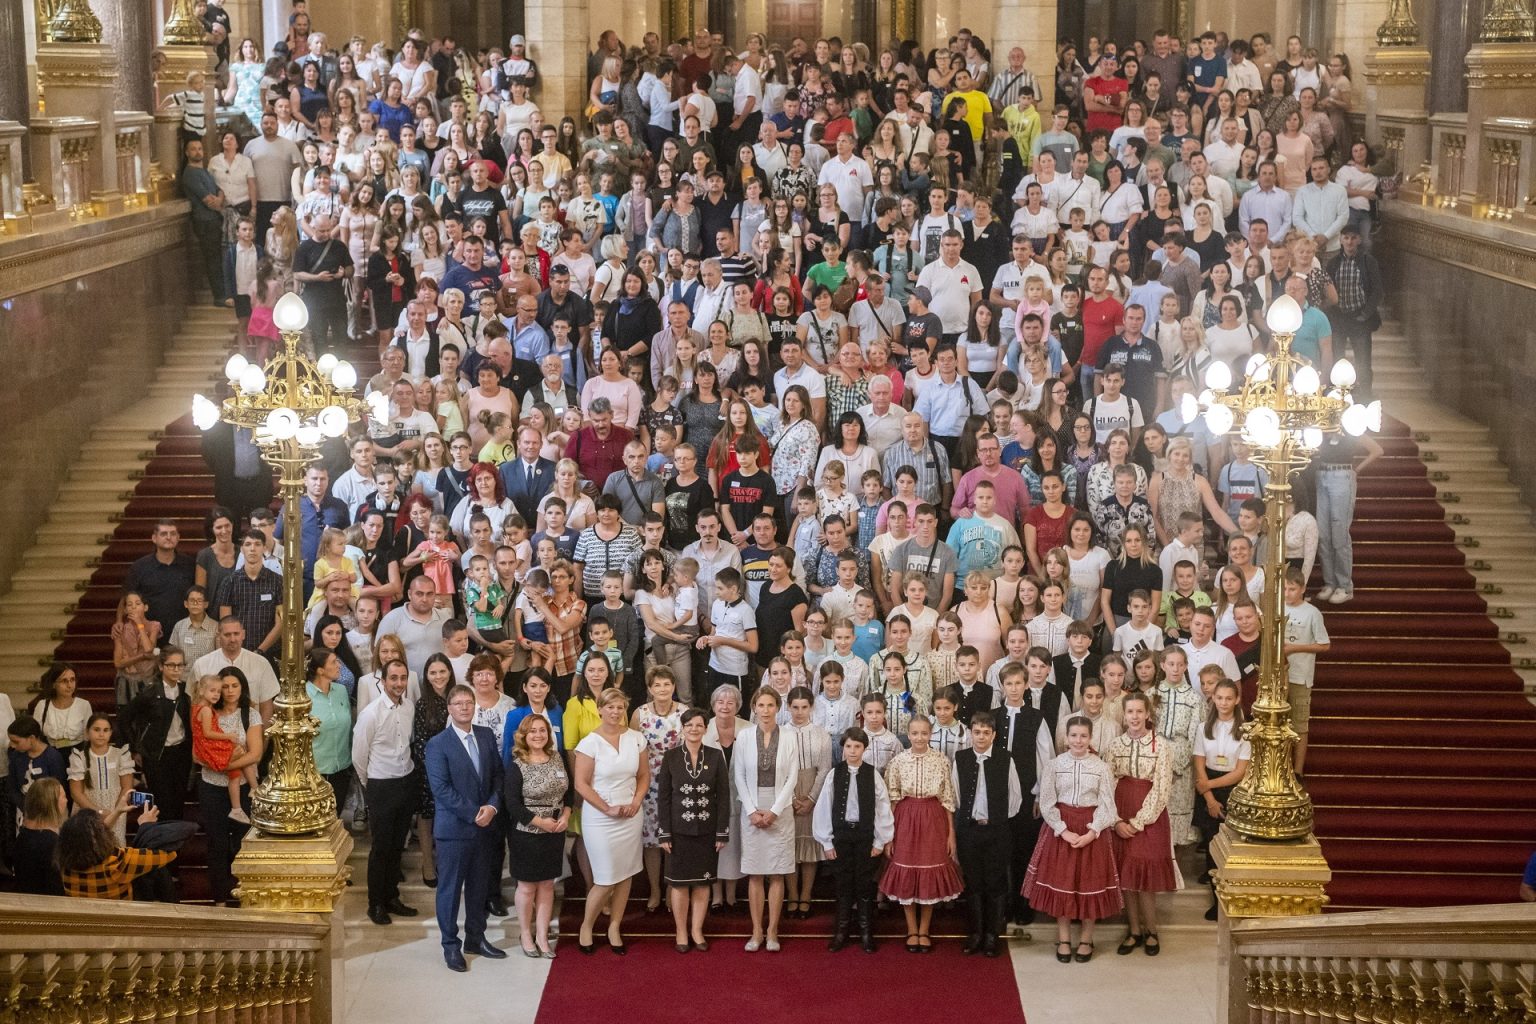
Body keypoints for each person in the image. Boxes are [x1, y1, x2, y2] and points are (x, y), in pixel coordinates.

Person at [1024, 716, 1122, 962]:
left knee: (1090, 884)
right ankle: (1064, 938)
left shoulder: (1101, 767)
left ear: (1090, 738)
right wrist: (1063, 830)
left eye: (1083, 736)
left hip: (1091, 830)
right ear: (1066, 738)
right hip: (1062, 829)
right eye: (1074, 736)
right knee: (1063, 883)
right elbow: (1047, 802)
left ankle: (1087, 938)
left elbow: (1108, 806)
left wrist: (1092, 832)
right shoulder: (1054, 765)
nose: (1078, 740)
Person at [426, 683, 506, 971]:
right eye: (458, 703)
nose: (464, 707)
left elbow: (498, 776)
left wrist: (493, 807)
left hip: (485, 828)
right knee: (449, 891)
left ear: (475, 707)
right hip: (454, 831)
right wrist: (475, 813)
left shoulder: (485, 735)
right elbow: (441, 789)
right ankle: (450, 945)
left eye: (468, 703)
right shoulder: (438, 744)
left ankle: (475, 938)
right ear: (449, 708)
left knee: (479, 887)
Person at [572, 687, 648, 954]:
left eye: (620, 707)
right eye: (610, 707)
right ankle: (586, 926)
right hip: (600, 817)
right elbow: (581, 784)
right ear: (600, 710)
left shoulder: (636, 738)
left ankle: (614, 926)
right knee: (605, 878)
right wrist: (607, 808)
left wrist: (636, 802)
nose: (616, 712)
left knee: (625, 875)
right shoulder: (589, 743)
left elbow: (644, 775)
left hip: (631, 814)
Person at [881, 715, 964, 951]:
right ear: (908, 734)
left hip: (934, 819)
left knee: (930, 869)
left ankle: (925, 929)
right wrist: (888, 836)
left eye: (924, 733)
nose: (919, 738)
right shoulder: (898, 761)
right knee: (906, 868)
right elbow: (892, 800)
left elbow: (947, 800)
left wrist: (951, 834)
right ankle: (911, 929)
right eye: (915, 733)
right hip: (905, 819)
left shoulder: (941, 761)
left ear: (931, 734)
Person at [1107, 692, 1179, 955]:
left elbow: (1161, 789)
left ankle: (1152, 930)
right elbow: (1108, 783)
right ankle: (1134, 930)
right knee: (1126, 874)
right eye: (1130, 712)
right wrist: (1116, 821)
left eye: (1139, 711)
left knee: (1145, 875)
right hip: (1121, 808)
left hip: (1149, 816)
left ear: (1148, 714)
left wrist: (1138, 822)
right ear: (1124, 715)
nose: (1135, 716)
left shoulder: (1162, 747)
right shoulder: (1115, 745)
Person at [733, 686, 801, 952]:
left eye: (770, 705)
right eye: (760, 705)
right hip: (751, 807)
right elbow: (739, 775)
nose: (765, 710)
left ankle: (772, 931)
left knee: (776, 873)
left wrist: (775, 810)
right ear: (754, 708)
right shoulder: (744, 736)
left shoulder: (790, 736)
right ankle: (756, 931)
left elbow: (792, 776)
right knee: (755, 873)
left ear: (778, 708)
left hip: (780, 809)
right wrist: (751, 810)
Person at [658, 706, 731, 951]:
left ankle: (697, 930)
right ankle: (681, 931)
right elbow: (663, 798)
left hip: (707, 832)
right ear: (682, 729)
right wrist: (664, 832)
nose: (694, 729)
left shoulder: (715, 756)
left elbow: (723, 796)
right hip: (678, 832)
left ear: (706, 729)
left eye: (699, 725)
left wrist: (722, 831)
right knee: (679, 884)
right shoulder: (670, 757)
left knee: (702, 883)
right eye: (689, 725)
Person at [503, 714, 571, 958]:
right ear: (524, 735)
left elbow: (569, 792)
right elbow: (512, 804)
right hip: (526, 834)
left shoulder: (557, 758)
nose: (538, 735)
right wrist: (540, 822)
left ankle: (542, 936)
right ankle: (525, 934)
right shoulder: (517, 765)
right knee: (527, 886)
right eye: (532, 731)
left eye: (542, 730)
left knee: (547, 884)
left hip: (555, 831)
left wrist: (566, 815)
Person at [195, 669, 263, 906]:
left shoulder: (250, 714)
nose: (230, 691)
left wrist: (225, 764)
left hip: (243, 787)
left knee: (243, 843)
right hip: (212, 787)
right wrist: (223, 764)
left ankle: (246, 896)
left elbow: (255, 753)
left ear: (242, 688)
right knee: (217, 844)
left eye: (235, 686)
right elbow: (196, 754)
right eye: (225, 686)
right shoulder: (207, 712)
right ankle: (220, 900)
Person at [56, 806, 176, 901]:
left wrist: (117, 811)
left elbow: (88, 838)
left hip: (83, 920)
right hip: (120, 919)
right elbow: (168, 855)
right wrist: (146, 827)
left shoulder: (65, 868)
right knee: (159, 871)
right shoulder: (117, 863)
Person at [13, 777, 67, 896]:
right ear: (51, 803)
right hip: (47, 904)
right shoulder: (52, 843)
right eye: (63, 796)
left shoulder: (23, 836)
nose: (66, 800)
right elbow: (56, 887)